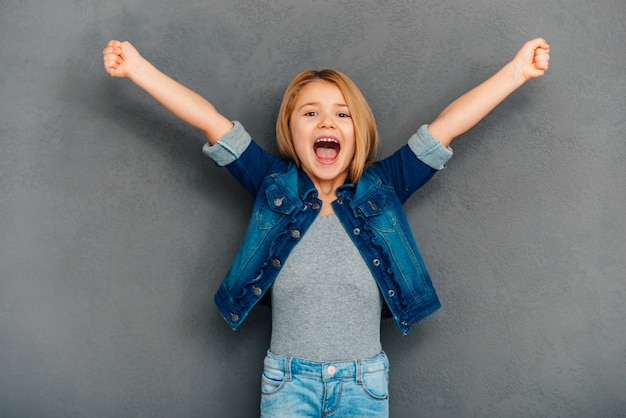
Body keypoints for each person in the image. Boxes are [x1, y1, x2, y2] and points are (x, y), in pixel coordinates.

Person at [103, 37, 549, 417]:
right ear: (291, 130)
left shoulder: (385, 186)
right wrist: (137, 69)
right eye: (310, 113)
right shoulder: (272, 183)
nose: (327, 122)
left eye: (341, 114)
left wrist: (516, 71)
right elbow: (208, 120)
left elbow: (448, 127)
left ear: (358, 131)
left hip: (364, 381)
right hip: (287, 381)